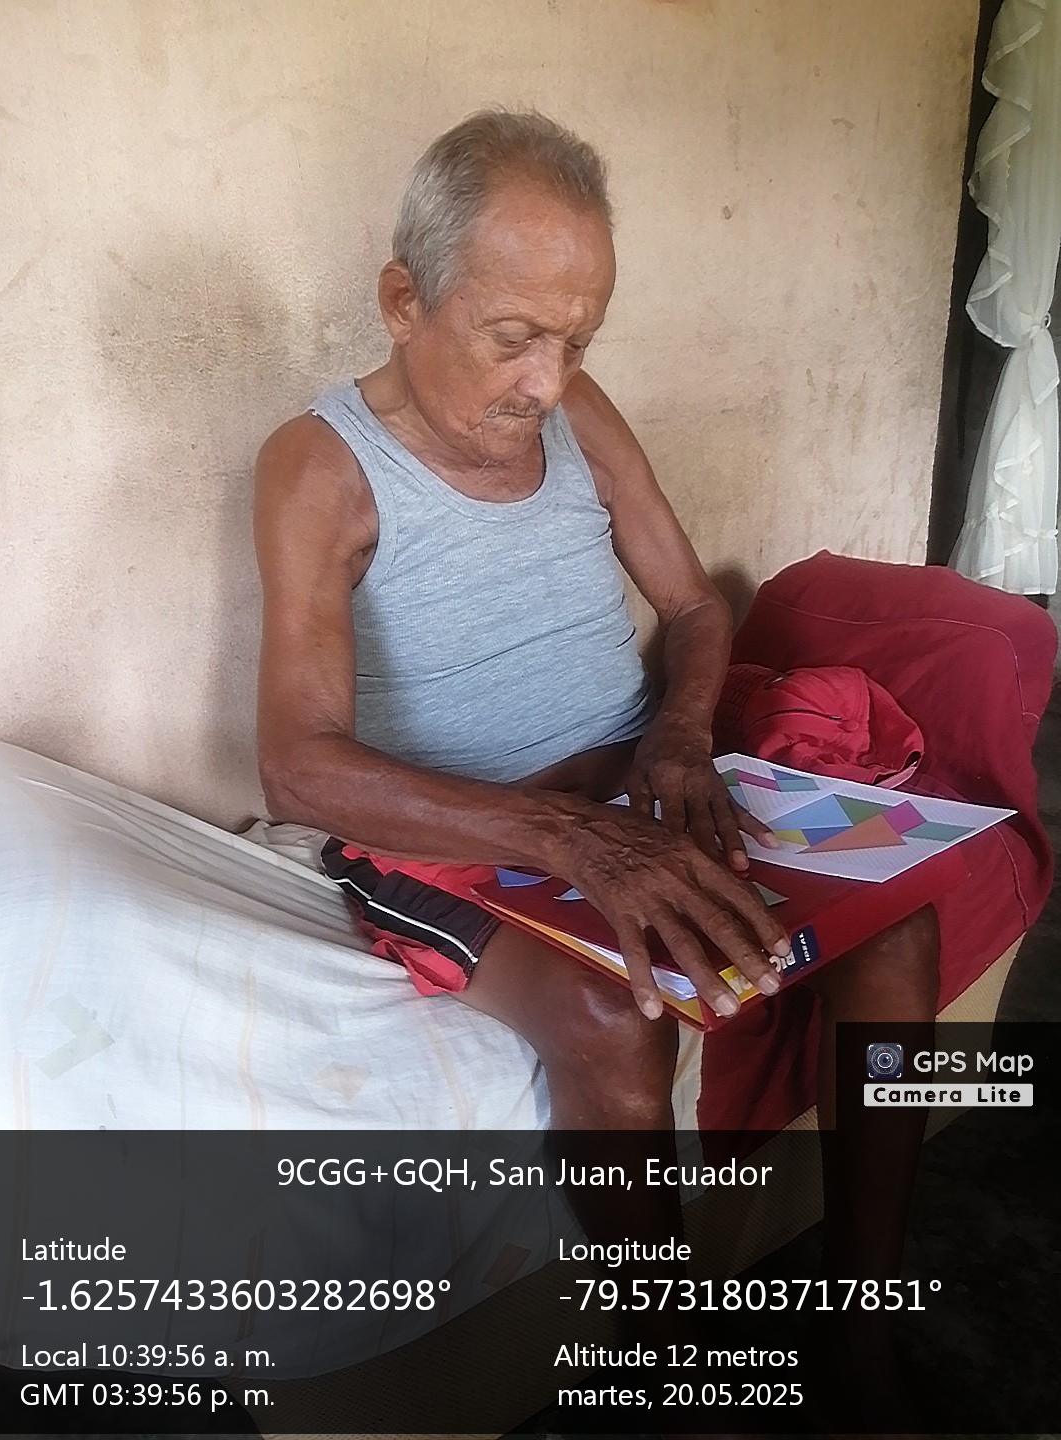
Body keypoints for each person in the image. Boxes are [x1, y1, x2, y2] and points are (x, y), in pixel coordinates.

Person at [254, 109, 938, 1420]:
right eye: (515, 337)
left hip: (637, 777)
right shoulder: (322, 468)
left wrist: (678, 735)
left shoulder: (579, 413)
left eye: (578, 342)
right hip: (450, 831)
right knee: (612, 1016)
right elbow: (298, 767)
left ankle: (862, 1334)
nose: (547, 384)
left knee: (892, 924)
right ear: (405, 301)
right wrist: (574, 838)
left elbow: (692, 608)